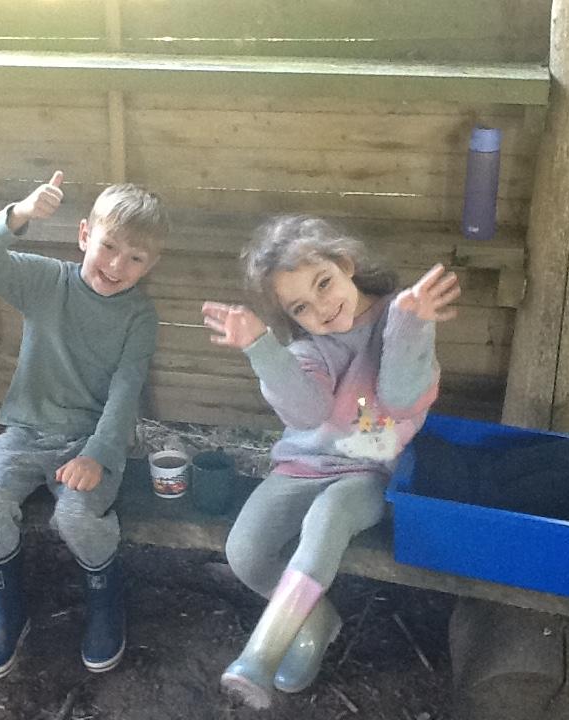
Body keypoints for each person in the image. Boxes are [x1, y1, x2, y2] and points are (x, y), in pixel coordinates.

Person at [201, 215, 460, 709]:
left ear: (346, 263)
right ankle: (315, 621)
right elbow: (306, 413)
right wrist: (260, 348)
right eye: (300, 307)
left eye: (323, 283)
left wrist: (411, 325)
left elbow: (401, 398)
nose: (320, 308)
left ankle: (260, 655)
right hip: (301, 467)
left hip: (367, 474)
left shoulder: (403, 314)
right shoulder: (308, 349)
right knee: (245, 551)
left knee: (329, 515)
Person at [0, 170, 168, 680]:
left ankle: (105, 605)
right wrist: (21, 214)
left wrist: (97, 455)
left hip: (90, 444)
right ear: (84, 235)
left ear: (151, 265)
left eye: (135, 258)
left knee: (75, 516)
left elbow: (125, 393)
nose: (116, 265)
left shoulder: (139, 317)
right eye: (108, 246)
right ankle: (6, 616)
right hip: (24, 434)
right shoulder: (46, 282)